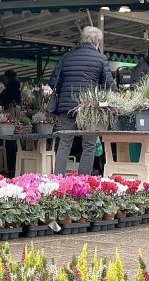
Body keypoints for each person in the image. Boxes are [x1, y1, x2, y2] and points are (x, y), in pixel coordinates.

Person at [48, 26, 116, 175]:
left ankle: (58, 179)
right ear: (97, 42)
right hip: (88, 108)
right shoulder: (100, 58)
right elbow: (110, 86)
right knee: (89, 144)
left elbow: (53, 82)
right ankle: (83, 181)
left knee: (65, 142)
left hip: (66, 107)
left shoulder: (66, 57)